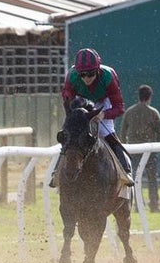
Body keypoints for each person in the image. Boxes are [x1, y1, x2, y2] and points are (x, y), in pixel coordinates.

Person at [54, 47, 132, 186]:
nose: (86, 78)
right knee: (70, 136)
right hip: (80, 102)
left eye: (90, 74)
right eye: (82, 74)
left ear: (97, 70)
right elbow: (67, 104)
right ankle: (56, 173)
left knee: (106, 133)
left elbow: (119, 108)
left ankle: (125, 171)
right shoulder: (72, 76)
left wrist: (103, 115)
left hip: (103, 103)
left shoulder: (108, 76)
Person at [120, 83, 160, 212]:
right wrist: (155, 145)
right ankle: (154, 205)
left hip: (133, 150)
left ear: (139, 96)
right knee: (152, 179)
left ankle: (138, 205)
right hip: (149, 150)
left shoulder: (129, 112)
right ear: (149, 97)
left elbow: (123, 132)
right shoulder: (153, 112)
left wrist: (126, 148)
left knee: (134, 179)